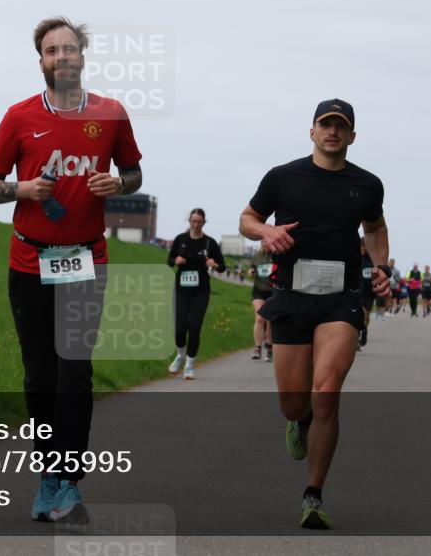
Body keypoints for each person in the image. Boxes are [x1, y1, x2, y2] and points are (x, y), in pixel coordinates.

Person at [0, 17, 143, 524]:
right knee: (40, 376)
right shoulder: (19, 117)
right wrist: (20, 190)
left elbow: (134, 173)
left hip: (85, 260)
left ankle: (67, 480)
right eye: (52, 51)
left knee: (75, 373)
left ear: (83, 57)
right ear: (42, 61)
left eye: (70, 49)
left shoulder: (111, 114)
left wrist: (118, 185)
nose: (62, 57)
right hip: (29, 259)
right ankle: (49, 474)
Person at [239, 98, 391, 529]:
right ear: (312, 131)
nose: (333, 132)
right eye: (326, 124)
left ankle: (313, 494)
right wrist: (265, 230)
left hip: (342, 299)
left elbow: (375, 228)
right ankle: (300, 420)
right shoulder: (282, 177)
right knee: (294, 403)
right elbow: (247, 218)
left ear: (352, 136)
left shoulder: (367, 184)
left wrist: (381, 269)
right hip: (291, 295)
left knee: (327, 390)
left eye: (341, 126)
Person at [167, 209, 226, 379]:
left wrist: (214, 264)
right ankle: (180, 355)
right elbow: (169, 261)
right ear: (189, 221)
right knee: (180, 327)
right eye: (193, 221)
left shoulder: (210, 243)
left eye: (199, 222)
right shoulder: (180, 240)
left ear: (204, 223)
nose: (196, 224)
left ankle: (190, 365)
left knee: (194, 327)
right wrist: (175, 260)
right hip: (181, 289)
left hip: (201, 290)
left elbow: (222, 267)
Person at [250, 242, 275, 362]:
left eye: (267, 241)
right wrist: (251, 272)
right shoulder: (257, 256)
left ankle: (269, 347)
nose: (266, 244)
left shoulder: (276, 254)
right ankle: (258, 348)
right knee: (260, 318)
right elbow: (252, 268)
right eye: (263, 241)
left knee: (270, 320)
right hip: (258, 290)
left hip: (273, 291)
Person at [358, 239, 375, 349]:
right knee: (359, 315)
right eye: (361, 247)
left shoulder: (373, 260)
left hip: (369, 292)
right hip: (357, 291)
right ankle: (357, 338)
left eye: (365, 247)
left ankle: (364, 330)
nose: (363, 249)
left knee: (365, 316)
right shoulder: (355, 258)